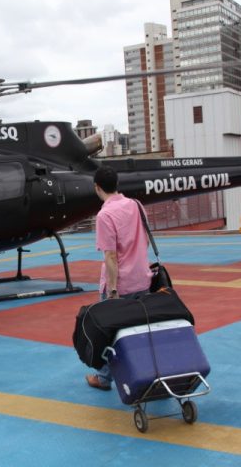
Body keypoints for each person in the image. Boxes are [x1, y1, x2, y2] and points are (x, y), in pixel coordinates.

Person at [85, 165, 153, 390]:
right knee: (141, 329)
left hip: (121, 284)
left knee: (110, 331)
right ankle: (148, 371)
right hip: (143, 278)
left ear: (97, 187)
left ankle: (104, 378)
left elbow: (111, 256)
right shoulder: (136, 205)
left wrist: (113, 289)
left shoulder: (104, 215)